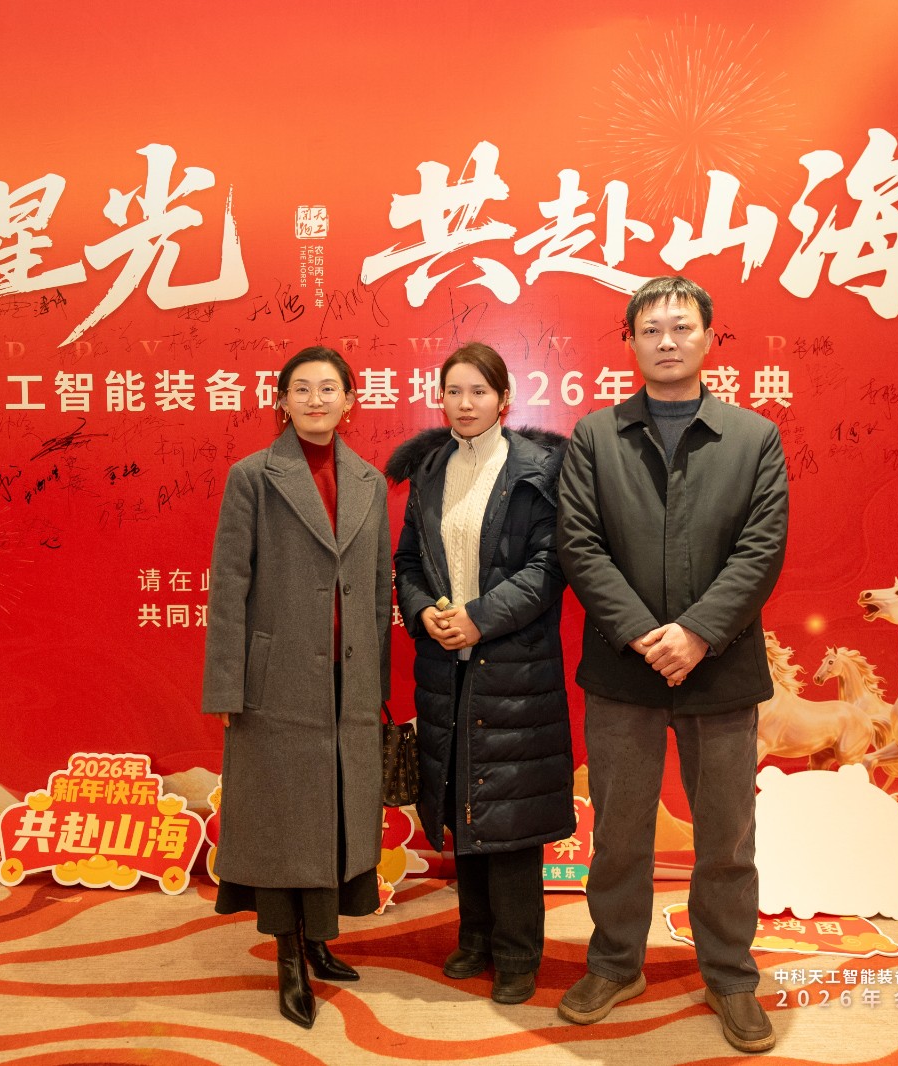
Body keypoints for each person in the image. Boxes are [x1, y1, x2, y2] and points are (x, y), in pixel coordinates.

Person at [555, 276, 788, 1053]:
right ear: (630, 342)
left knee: (726, 838)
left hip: (720, 669)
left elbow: (760, 550)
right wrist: (642, 634)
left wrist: (696, 634)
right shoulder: (596, 437)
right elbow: (579, 545)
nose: (667, 340)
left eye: (681, 326)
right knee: (620, 833)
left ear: (708, 338)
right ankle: (614, 963)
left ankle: (730, 976)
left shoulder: (753, 437)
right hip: (623, 670)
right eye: (650, 328)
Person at [202, 345, 391, 1030]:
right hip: (275, 679)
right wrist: (227, 688)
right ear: (280, 402)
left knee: (335, 816)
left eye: (329, 388)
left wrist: (375, 684)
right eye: (302, 389)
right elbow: (230, 586)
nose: (316, 400)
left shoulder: (368, 481)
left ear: (350, 402)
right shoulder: (253, 476)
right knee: (284, 820)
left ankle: (320, 941)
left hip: (348, 678)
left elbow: (378, 590)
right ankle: (288, 958)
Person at [387, 342, 574, 1005]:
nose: (464, 404)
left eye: (478, 391)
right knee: (459, 802)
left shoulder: (535, 470)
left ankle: (519, 954)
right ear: (440, 398)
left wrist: (478, 619)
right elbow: (408, 561)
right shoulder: (431, 470)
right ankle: (475, 938)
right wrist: (423, 612)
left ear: (504, 399)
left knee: (511, 817)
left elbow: (550, 565)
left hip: (513, 665)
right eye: (453, 391)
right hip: (446, 665)